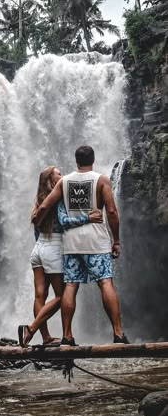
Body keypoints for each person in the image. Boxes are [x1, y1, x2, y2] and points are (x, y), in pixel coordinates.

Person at [33, 146, 129, 346]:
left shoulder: (64, 181)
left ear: (76, 161)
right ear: (93, 159)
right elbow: (111, 212)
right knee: (105, 282)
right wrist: (117, 240)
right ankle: (118, 334)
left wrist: (38, 223)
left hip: (71, 244)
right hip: (96, 242)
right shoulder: (101, 179)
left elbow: (44, 206)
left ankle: (67, 336)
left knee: (70, 285)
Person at [18, 166, 103, 347]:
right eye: (58, 173)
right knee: (61, 296)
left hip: (38, 249)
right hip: (54, 248)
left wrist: (41, 251)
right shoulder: (57, 200)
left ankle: (46, 338)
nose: (62, 176)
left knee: (39, 296)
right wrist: (88, 218)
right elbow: (65, 222)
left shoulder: (38, 204)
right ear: (51, 180)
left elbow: (37, 231)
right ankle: (31, 329)